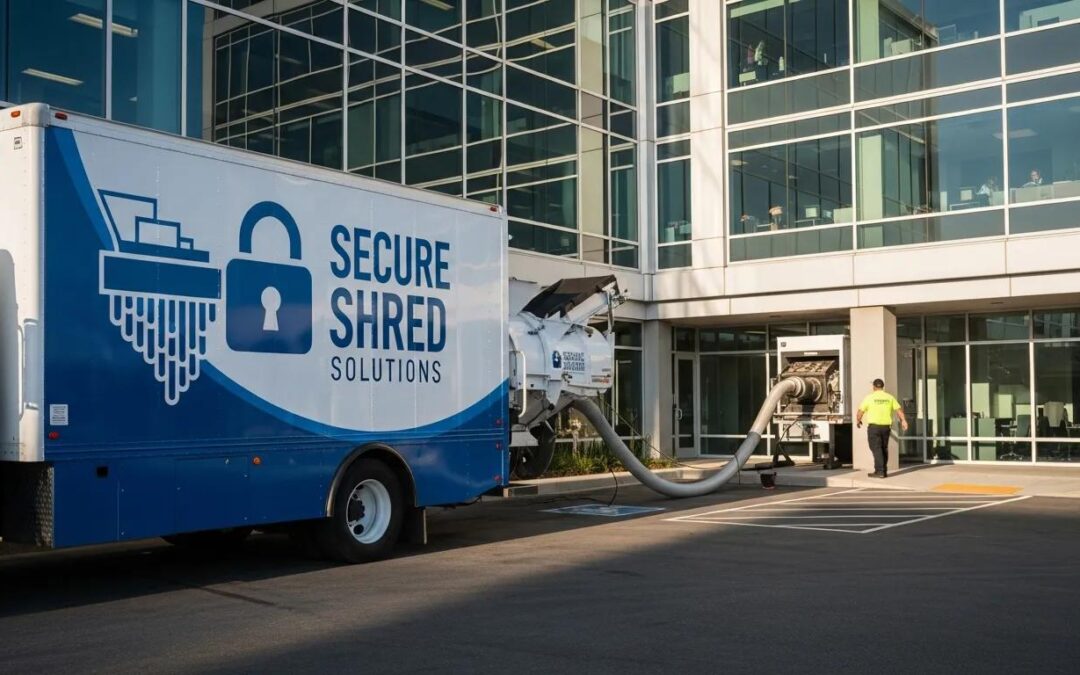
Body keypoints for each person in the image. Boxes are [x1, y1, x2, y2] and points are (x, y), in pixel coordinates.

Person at [856, 378, 908, 478]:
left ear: (874, 387)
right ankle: (881, 470)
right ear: (882, 387)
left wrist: (858, 420)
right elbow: (898, 410)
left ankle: (880, 471)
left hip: (874, 428)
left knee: (876, 448)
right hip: (885, 428)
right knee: (883, 448)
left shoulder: (869, 398)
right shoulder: (889, 397)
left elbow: (860, 411)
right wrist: (903, 420)